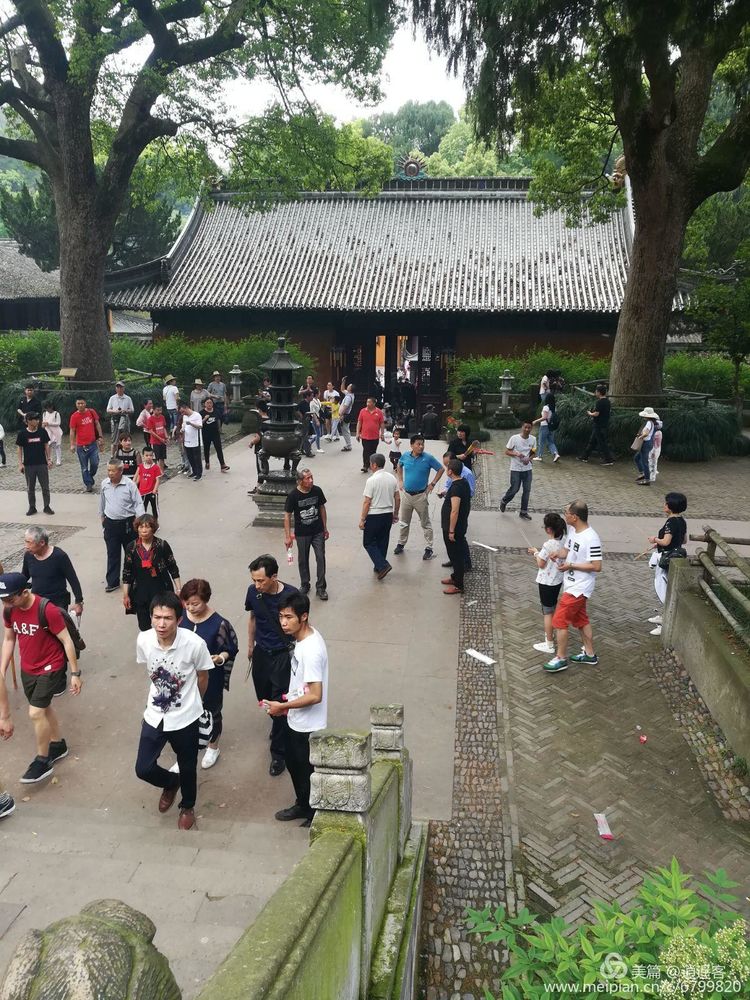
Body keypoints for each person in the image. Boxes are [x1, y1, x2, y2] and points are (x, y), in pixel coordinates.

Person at [134, 592, 213, 831]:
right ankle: (170, 782)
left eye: (167, 618)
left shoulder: (194, 644)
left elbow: (203, 676)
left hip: (185, 718)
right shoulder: (144, 641)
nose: (161, 623)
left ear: (179, 620)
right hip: (155, 714)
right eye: (157, 617)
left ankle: (187, 806)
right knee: (143, 768)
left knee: (188, 766)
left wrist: (193, 704)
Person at [0, 572, 82, 784]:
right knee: (44, 708)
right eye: (3, 600)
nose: (6, 603)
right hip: (28, 668)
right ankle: (58, 745)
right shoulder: (10, 611)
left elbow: (66, 641)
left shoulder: (47, 610)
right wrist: (2, 669)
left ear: (25, 592)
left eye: (10, 599)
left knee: (36, 712)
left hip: (51, 666)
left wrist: (74, 673)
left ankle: (42, 760)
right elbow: (9, 639)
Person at [264, 592, 328, 827]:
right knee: (293, 764)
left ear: (304, 617)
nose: (283, 622)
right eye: (281, 616)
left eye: (289, 617)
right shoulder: (304, 640)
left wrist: (284, 706)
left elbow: (315, 695)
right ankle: (303, 805)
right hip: (295, 717)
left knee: (305, 770)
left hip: (308, 724)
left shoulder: (310, 650)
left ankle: (314, 814)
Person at [245, 554, 298, 776]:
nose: (257, 585)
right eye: (254, 580)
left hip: (282, 655)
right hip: (261, 653)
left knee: (279, 702)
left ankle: (278, 753)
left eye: (261, 581)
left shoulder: (292, 595)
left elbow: (301, 625)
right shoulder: (252, 592)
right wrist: (250, 645)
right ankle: (277, 723)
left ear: (274, 576)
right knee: (264, 696)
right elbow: (253, 618)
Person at [179, 579, 239, 769]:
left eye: (195, 604)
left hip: (210, 678)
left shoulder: (219, 623)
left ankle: (213, 747)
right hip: (183, 676)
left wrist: (220, 658)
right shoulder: (180, 617)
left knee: (212, 712)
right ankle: (185, 750)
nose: (190, 608)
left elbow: (231, 647)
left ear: (206, 600)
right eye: (187, 603)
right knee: (183, 713)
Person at [543, 500, 603, 673]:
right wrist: (557, 554)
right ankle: (590, 654)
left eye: (566, 512)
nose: (564, 515)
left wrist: (571, 566)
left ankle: (561, 658)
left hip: (580, 587)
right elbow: (568, 551)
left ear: (575, 517)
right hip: (571, 584)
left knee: (559, 621)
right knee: (581, 619)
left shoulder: (591, 538)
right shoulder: (573, 531)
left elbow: (597, 566)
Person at [122, 514, 181, 631]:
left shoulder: (162, 546)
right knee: (144, 627)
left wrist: (179, 589)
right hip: (140, 592)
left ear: (153, 529)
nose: (144, 530)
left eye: (147, 527)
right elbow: (127, 572)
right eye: (141, 527)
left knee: (162, 625)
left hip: (161, 590)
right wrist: (126, 595)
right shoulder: (131, 548)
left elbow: (173, 568)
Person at [393, 435, 443, 560]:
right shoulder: (405, 456)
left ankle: (429, 547)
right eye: (418, 444)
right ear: (411, 445)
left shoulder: (428, 458)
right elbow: (399, 466)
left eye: (422, 444)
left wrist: (432, 484)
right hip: (406, 495)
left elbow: (441, 469)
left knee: (425, 522)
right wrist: (400, 480)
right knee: (404, 522)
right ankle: (401, 543)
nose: (421, 446)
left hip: (421, 495)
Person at [99, 459, 145, 593]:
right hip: (110, 523)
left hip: (128, 524)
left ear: (120, 471)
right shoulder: (104, 484)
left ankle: (134, 579)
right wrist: (102, 518)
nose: (110, 473)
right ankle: (112, 581)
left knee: (131, 553)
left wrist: (141, 522)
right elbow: (102, 502)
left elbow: (138, 503)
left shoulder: (129, 485)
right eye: (108, 470)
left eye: (113, 470)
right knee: (112, 553)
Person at [647, 492, 687, 636]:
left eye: (666, 503)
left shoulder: (670, 522)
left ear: (670, 506)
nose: (664, 505)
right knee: (666, 586)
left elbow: (666, 542)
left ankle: (666, 621)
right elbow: (684, 541)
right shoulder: (682, 520)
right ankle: (664, 616)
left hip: (667, 558)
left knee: (662, 586)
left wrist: (655, 540)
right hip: (676, 556)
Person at [284, 469, 329, 600]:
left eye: (311, 477)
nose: (311, 480)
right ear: (300, 481)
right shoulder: (293, 495)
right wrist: (288, 536)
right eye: (307, 478)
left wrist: (325, 527)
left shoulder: (317, 490)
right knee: (303, 559)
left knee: (321, 557)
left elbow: (322, 508)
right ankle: (305, 584)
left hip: (317, 531)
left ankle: (321, 587)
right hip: (302, 534)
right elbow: (287, 516)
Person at [528, 512, 567, 655]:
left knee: (547, 612)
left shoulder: (548, 544)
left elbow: (541, 564)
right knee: (552, 608)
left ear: (549, 529)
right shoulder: (565, 540)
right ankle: (552, 637)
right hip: (557, 581)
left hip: (546, 582)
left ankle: (549, 643)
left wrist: (535, 553)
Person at [22, 527, 83, 615]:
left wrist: (79, 602)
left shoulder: (60, 556)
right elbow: (24, 576)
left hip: (57, 603)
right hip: (37, 602)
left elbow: (73, 580)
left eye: (29, 542)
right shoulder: (28, 556)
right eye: (25, 541)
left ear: (42, 542)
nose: (26, 546)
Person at [360, 453, 400, 580]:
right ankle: (379, 566)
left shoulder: (371, 480)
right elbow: (397, 498)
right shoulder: (392, 478)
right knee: (383, 541)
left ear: (374, 465)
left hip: (374, 515)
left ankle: (382, 565)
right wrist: (395, 514)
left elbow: (367, 501)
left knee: (368, 542)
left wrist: (362, 519)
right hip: (387, 514)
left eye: (370, 464)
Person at [439, 451, 475, 572]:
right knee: (452, 542)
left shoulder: (466, 474)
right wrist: (444, 492)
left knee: (459, 537)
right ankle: (454, 559)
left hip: (461, 507)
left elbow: (470, 492)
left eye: (448, 465)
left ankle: (465, 562)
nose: (447, 469)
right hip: (452, 502)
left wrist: (455, 494)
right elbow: (448, 485)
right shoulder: (453, 475)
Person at [440, 459, 472, 595]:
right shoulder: (462, 482)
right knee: (454, 554)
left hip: (454, 528)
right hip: (458, 525)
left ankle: (459, 584)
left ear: (450, 471)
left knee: (455, 556)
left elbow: (455, 510)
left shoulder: (456, 487)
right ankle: (455, 577)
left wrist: (451, 530)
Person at [17, 413, 53, 517]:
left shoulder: (42, 432)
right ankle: (32, 507)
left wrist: (49, 459)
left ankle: (47, 506)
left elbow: (46, 445)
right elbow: (19, 449)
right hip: (29, 465)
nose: (37, 421)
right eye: (34, 419)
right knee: (30, 488)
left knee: (45, 487)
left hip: (41, 463)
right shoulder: (22, 434)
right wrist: (20, 463)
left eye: (38, 419)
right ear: (28, 421)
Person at [499, 421, 536, 521]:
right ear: (522, 427)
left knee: (527, 490)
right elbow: (507, 451)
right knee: (515, 489)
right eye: (525, 427)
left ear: (531, 428)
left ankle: (523, 511)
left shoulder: (533, 439)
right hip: (515, 468)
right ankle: (504, 501)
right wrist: (516, 454)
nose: (527, 430)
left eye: (529, 428)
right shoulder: (514, 438)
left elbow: (533, 452)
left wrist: (529, 459)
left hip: (527, 469)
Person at [69, 397, 104, 492]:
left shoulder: (91, 412)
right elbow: (72, 431)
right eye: (78, 403)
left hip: (92, 444)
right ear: (76, 405)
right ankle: (88, 483)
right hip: (81, 446)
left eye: (82, 403)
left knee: (95, 463)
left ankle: (89, 475)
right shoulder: (74, 416)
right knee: (84, 467)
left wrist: (100, 437)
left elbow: (97, 424)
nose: (80, 405)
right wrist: (72, 444)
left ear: (85, 403)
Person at [579, 385, 614, 465]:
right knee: (592, 441)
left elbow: (597, 414)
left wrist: (590, 413)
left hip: (599, 424)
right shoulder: (608, 401)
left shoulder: (600, 402)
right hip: (603, 423)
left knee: (602, 442)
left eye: (596, 391)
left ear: (599, 392)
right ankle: (585, 456)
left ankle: (609, 459)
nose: (595, 393)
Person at [356, 396, 385, 473]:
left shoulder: (379, 412)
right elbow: (359, 422)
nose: (367, 404)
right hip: (365, 435)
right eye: (367, 402)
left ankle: (372, 465)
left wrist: (382, 434)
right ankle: (365, 465)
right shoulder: (362, 411)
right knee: (366, 451)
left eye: (369, 402)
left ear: (374, 403)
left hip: (375, 436)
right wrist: (357, 433)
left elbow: (382, 423)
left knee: (373, 451)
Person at [201, 398, 230, 472]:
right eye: (207, 403)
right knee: (206, 449)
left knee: (219, 448)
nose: (209, 404)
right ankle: (207, 462)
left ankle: (222, 465)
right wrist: (204, 419)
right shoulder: (201, 413)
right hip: (206, 434)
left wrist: (222, 424)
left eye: (210, 403)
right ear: (204, 404)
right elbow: (199, 424)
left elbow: (220, 418)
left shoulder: (216, 411)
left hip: (215, 433)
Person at [106, 381, 134, 454]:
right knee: (114, 438)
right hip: (115, 419)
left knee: (125, 437)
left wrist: (125, 411)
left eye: (121, 387)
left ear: (123, 388)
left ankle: (126, 453)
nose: (119, 388)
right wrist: (115, 411)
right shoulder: (112, 398)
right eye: (117, 387)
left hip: (125, 419)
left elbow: (132, 410)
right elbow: (108, 410)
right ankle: (113, 456)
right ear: (115, 388)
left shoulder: (128, 398)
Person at [532, 393, 561, 463]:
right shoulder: (554, 407)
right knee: (551, 442)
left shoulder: (546, 407)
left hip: (544, 426)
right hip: (551, 426)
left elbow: (544, 417)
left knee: (541, 441)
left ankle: (539, 456)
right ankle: (556, 454)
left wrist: (535, 421)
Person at [134, 447, 162, 516]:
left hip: (151, 492)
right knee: (143, 508)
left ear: (153, 456)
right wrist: (134, 484)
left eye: (150, 455)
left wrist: (155, 490)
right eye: (146, 455)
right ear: (143, 456)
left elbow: (158, 480)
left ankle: (155, 523)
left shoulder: (156, 467)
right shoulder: (140, 466)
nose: (149, 457)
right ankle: (143, 523)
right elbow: (138, 476)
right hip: (142, 492)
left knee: (154, 508)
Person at [178, 403, 204, 480]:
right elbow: (184, 426)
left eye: (183, 411)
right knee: (190, 457)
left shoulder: (197, 415)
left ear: (186, 408)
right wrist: (182, 430)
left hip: (195, 440)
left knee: (197, 457)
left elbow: (200, 426)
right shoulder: (184, 416)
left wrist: (191, 424)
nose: (182, 414)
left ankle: (199, 473)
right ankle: (194, 471)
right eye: (181, 412)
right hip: (187, 440)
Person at [634, 406, 658, 485]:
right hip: (648, 442)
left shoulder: (648, 422)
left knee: (644, 461)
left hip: (645, 443)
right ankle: (642, 473)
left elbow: (646, 433)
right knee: (637, 458)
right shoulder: (652, 422)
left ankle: (647, 479)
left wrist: (640, 437)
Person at [144, 403, 169, 472]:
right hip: (155, 441)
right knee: (156, 457)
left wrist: (166, 436)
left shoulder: (162, 417)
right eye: (158, 410)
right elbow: (151, 432)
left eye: (160, 410)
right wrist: (160, 439)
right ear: (154, 410)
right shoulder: (150, 419)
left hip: (163, 440)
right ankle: (155, 471)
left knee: (162, 457)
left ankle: (162, 471)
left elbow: (163, 427)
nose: (159, 412)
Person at [338, 379, 355, 451]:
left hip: (345, 414)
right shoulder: (349, 394)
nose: (347, 386)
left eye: (349, 386)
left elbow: (345, 407)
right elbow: (342, 389)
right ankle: (348, 444)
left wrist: (341, 414)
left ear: (350, 389)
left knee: (345, 431)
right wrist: (343, 381)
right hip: (345, 414)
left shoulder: (348, 397)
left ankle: (348, 445)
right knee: (345, 430)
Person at [296, 391, 314, 458]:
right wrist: (301, 416)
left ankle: (301, 450)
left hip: (307, 421)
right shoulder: (302, 403)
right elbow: (296, 409)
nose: (312, 397)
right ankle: (308, 452)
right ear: (307, 396)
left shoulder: (308, 403)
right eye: (311, 396)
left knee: (303, 437)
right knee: (305, 437)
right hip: (303, 422)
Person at [309, 388, 324, 454]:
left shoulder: (318, 400)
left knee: (319, 434)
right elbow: (313, 412)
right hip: (315, 419)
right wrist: (317, 420)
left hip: (319, 417)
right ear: (317, 394)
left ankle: (309, 443)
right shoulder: (312, 402)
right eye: (319, 392)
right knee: (318, 433)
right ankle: (318, 448)